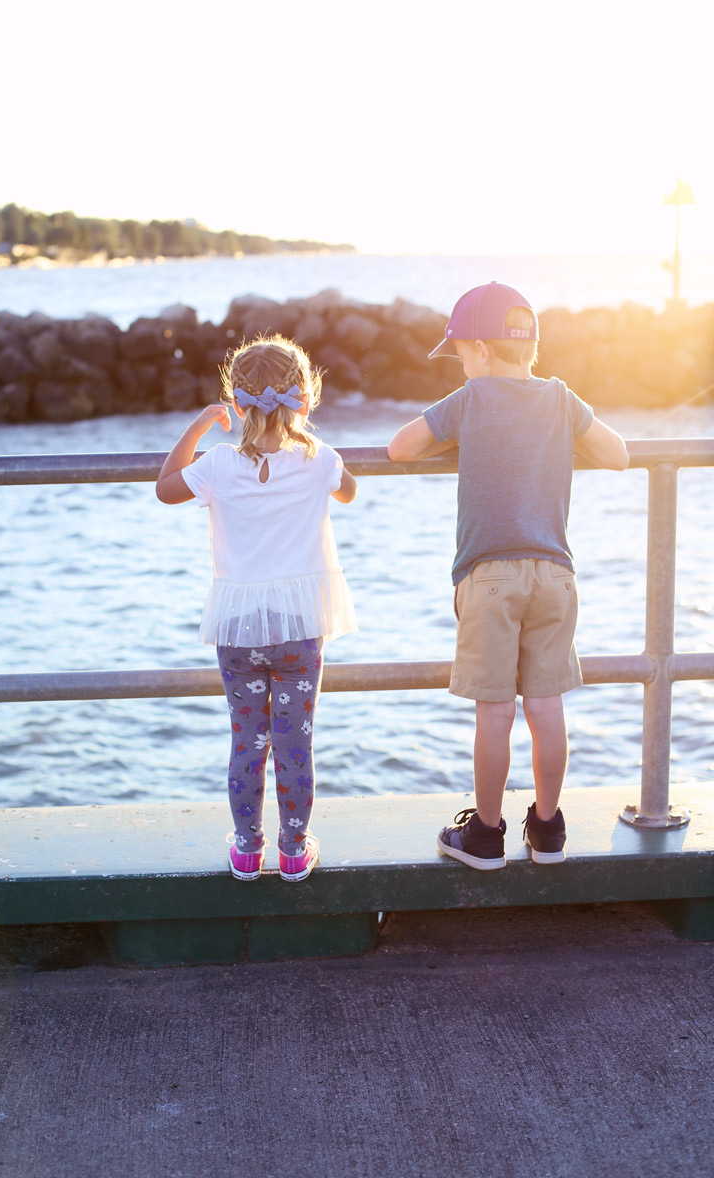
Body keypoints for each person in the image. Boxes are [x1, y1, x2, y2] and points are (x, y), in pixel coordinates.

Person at [388, 282, 629, 870]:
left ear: (481, 350)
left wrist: (459, 432)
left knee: (494, 711)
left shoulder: (469, 400)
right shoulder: (561, 398)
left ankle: (488, 834)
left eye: (463, 353)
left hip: (488, 576)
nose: (464, 365)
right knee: (546, 706)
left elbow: (399, 449)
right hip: (555, 575)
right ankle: (547, 829)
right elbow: (619, 454)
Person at [156, 335, 357, 881]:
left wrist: (199, 426)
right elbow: (350, 492)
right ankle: (294, 850)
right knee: (296, 742)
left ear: (236, 405)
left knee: (247, 741)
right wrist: (308, 441)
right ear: (306, 400)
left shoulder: (218, 464)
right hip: (297, 628)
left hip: (240, 629)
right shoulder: (321, 462)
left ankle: (247, 849)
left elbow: (165, 488)